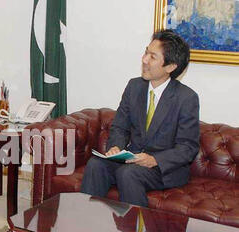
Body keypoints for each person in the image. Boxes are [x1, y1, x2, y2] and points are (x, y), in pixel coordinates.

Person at [81, 29, 200, 209]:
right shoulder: (134, 86)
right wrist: (115, 147)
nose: (144, 59)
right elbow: (120, 127)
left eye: (152, 57)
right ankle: (87, 226)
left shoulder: (186, 98)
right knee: (96, 164)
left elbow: (188, 147)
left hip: (163, 169)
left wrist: (154, 160)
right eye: (146, 52)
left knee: (128, 174)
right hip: (131, 160)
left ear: (170, 66)